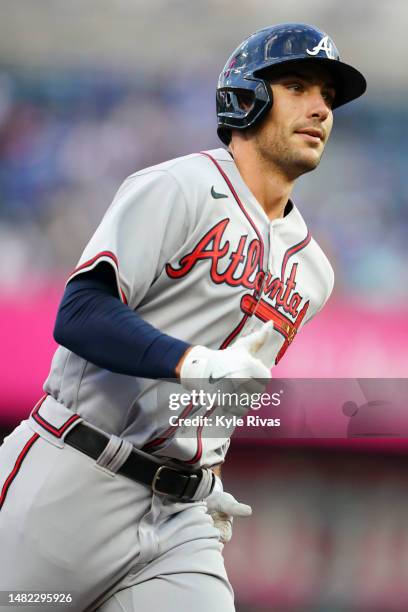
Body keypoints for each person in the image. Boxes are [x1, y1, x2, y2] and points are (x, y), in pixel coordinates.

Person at [0, 23, 366, 612]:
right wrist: (190, 361)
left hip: (179, 520)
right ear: (245, 97)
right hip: (72, 476)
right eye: (298, 86)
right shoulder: (177, 186)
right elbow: (80, 312)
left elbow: (232, 383)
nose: (321, 107)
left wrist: (207, 464)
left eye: (328, 96)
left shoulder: (315, 272)